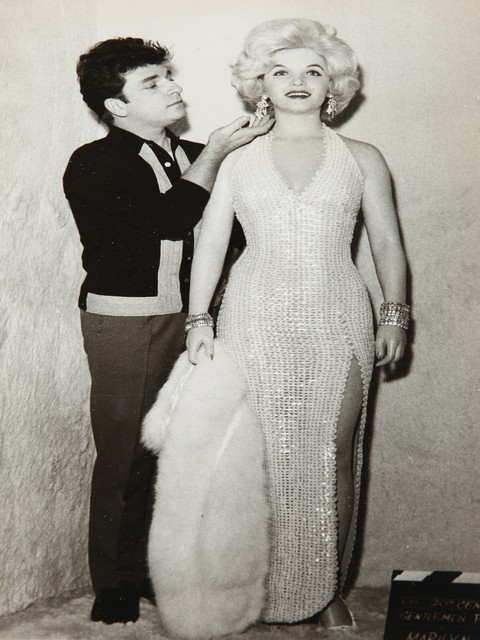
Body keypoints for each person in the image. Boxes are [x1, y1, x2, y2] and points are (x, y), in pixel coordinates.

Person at [186, 18, 409, 629]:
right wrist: (198, 318)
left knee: (333, 454)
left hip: (338, 314)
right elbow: (211, 244)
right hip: (253, 316)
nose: (297, 81)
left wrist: (395, 313)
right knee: (261, 458)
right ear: (259, 85)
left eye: (313, 70)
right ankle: (260, 591)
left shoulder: (362, 157)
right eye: (280, 71)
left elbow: (387, 243)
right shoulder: (237, 160)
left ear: (334, 84)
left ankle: (326, 590)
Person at [62, 37, 272, 625]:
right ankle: (116, 583)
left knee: (183, 450)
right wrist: (219, 154)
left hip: (197, 318)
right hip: (126, 322)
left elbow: (242, 226)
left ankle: (163, 572)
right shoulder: (95, 162)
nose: (173, 87)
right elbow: (168, 218)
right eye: (152, 83)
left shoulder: (194, 154)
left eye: (168, 76)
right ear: (117, 106)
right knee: (126, 453)